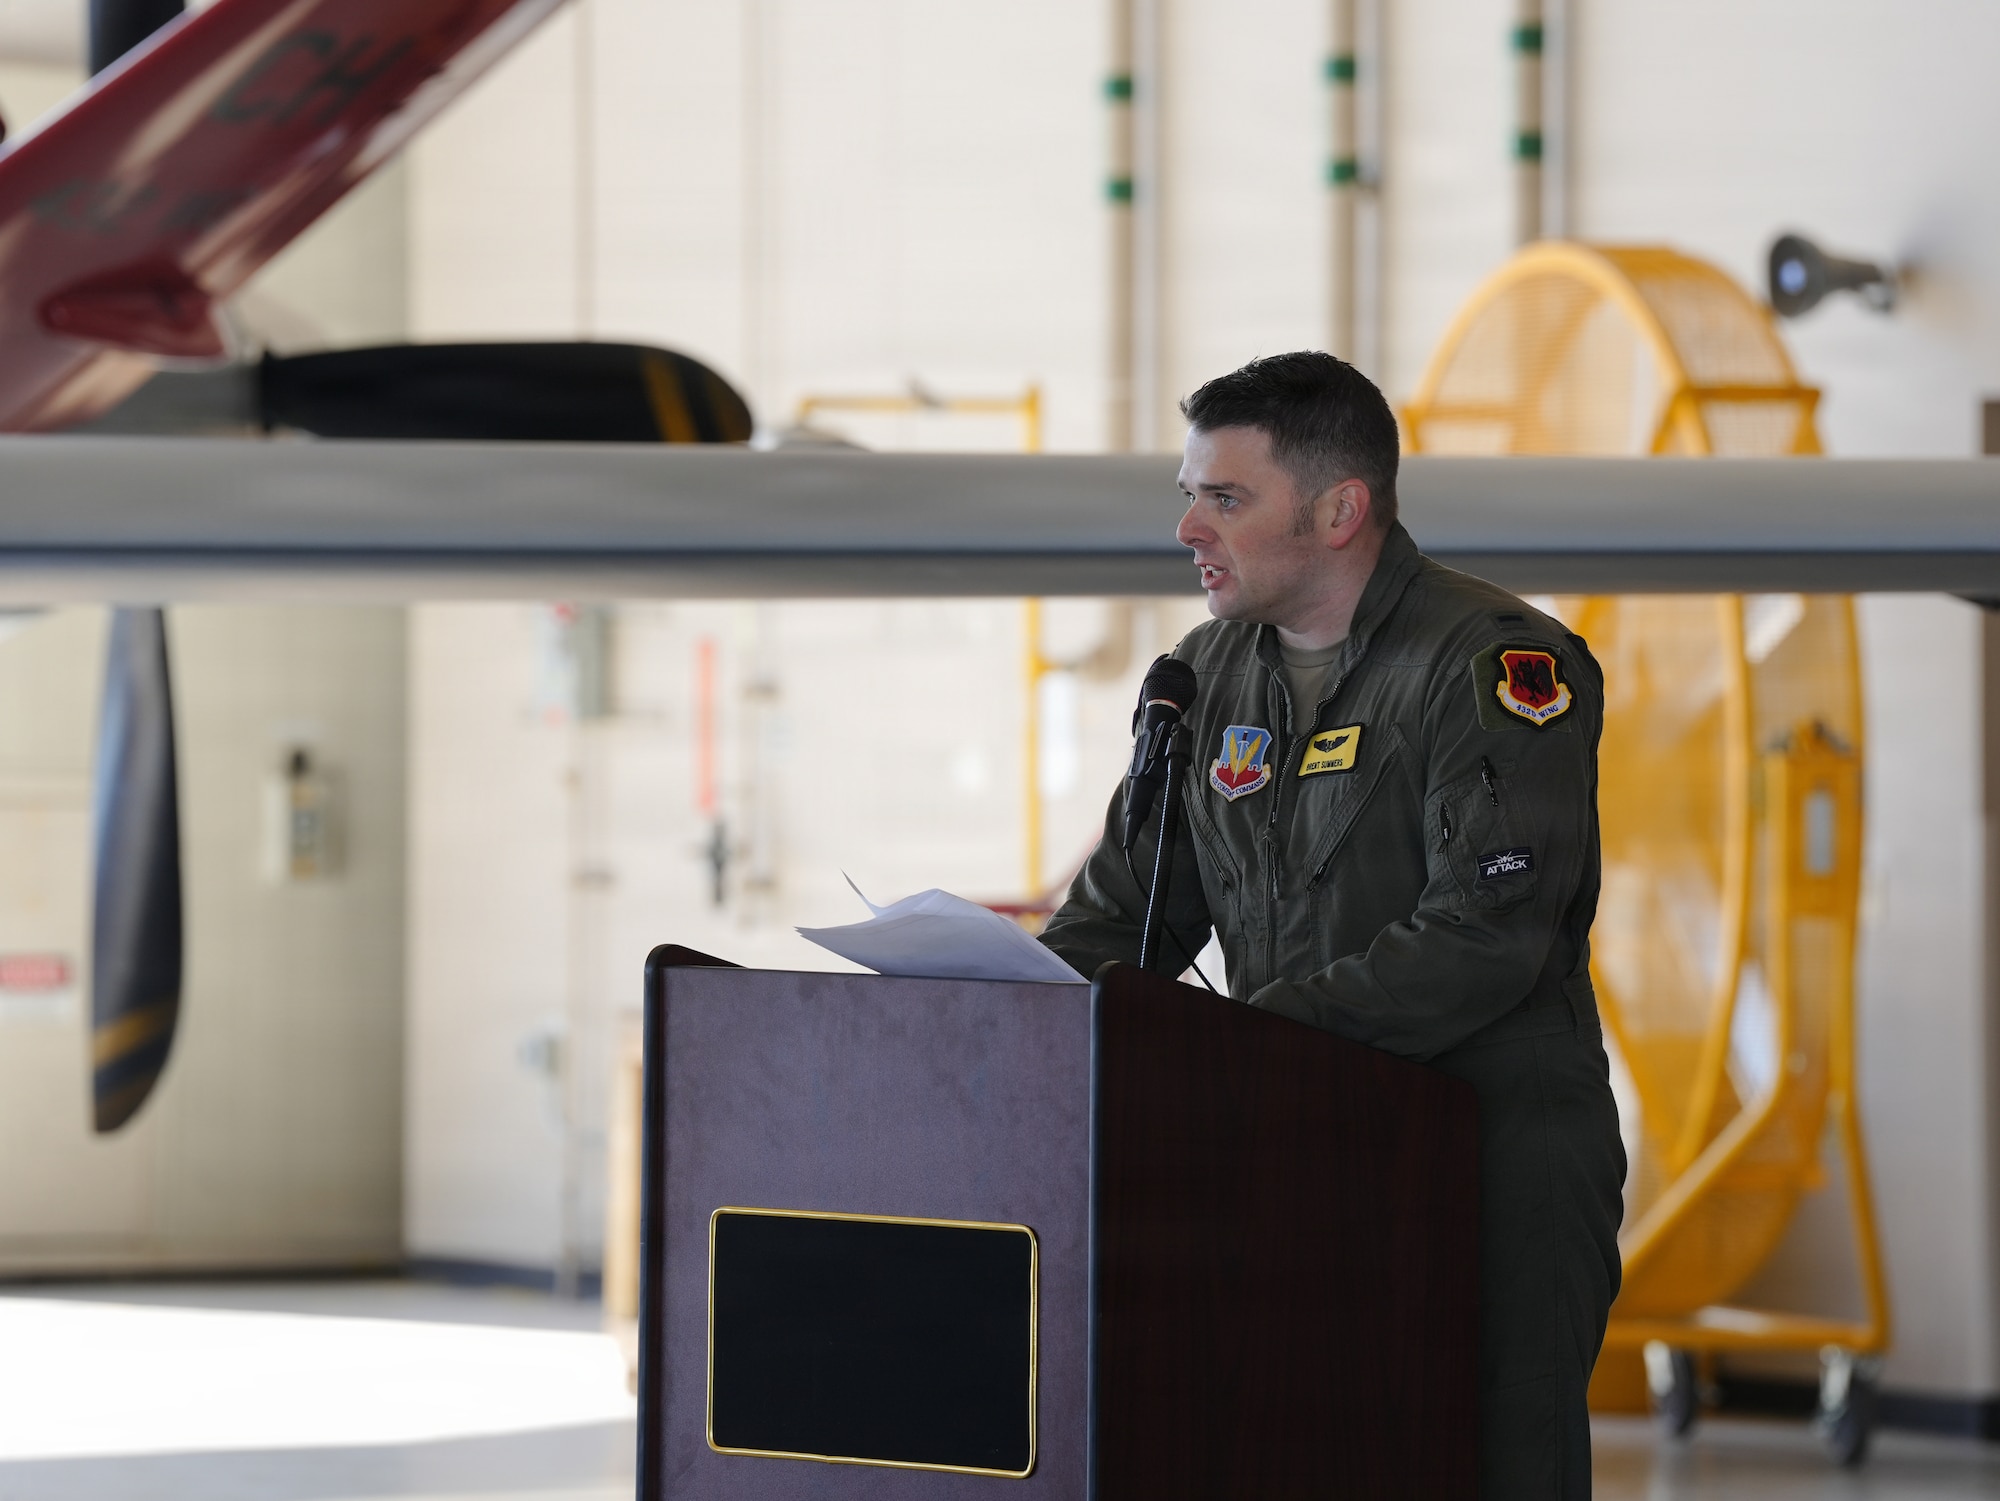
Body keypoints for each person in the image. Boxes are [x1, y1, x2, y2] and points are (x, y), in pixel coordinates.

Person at [1039, 350, 1624, 1497]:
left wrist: (1243, 1042)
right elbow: (1124, 915)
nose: (1186, 530)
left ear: (1338, 509)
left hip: (1484, 1151)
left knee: (1486, 1460)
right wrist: (998, 1007)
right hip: (1280, 1137)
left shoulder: (1494, 666)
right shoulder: (1202, 679)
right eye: (1187, 495)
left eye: (1223, 497)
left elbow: (1480, 937)